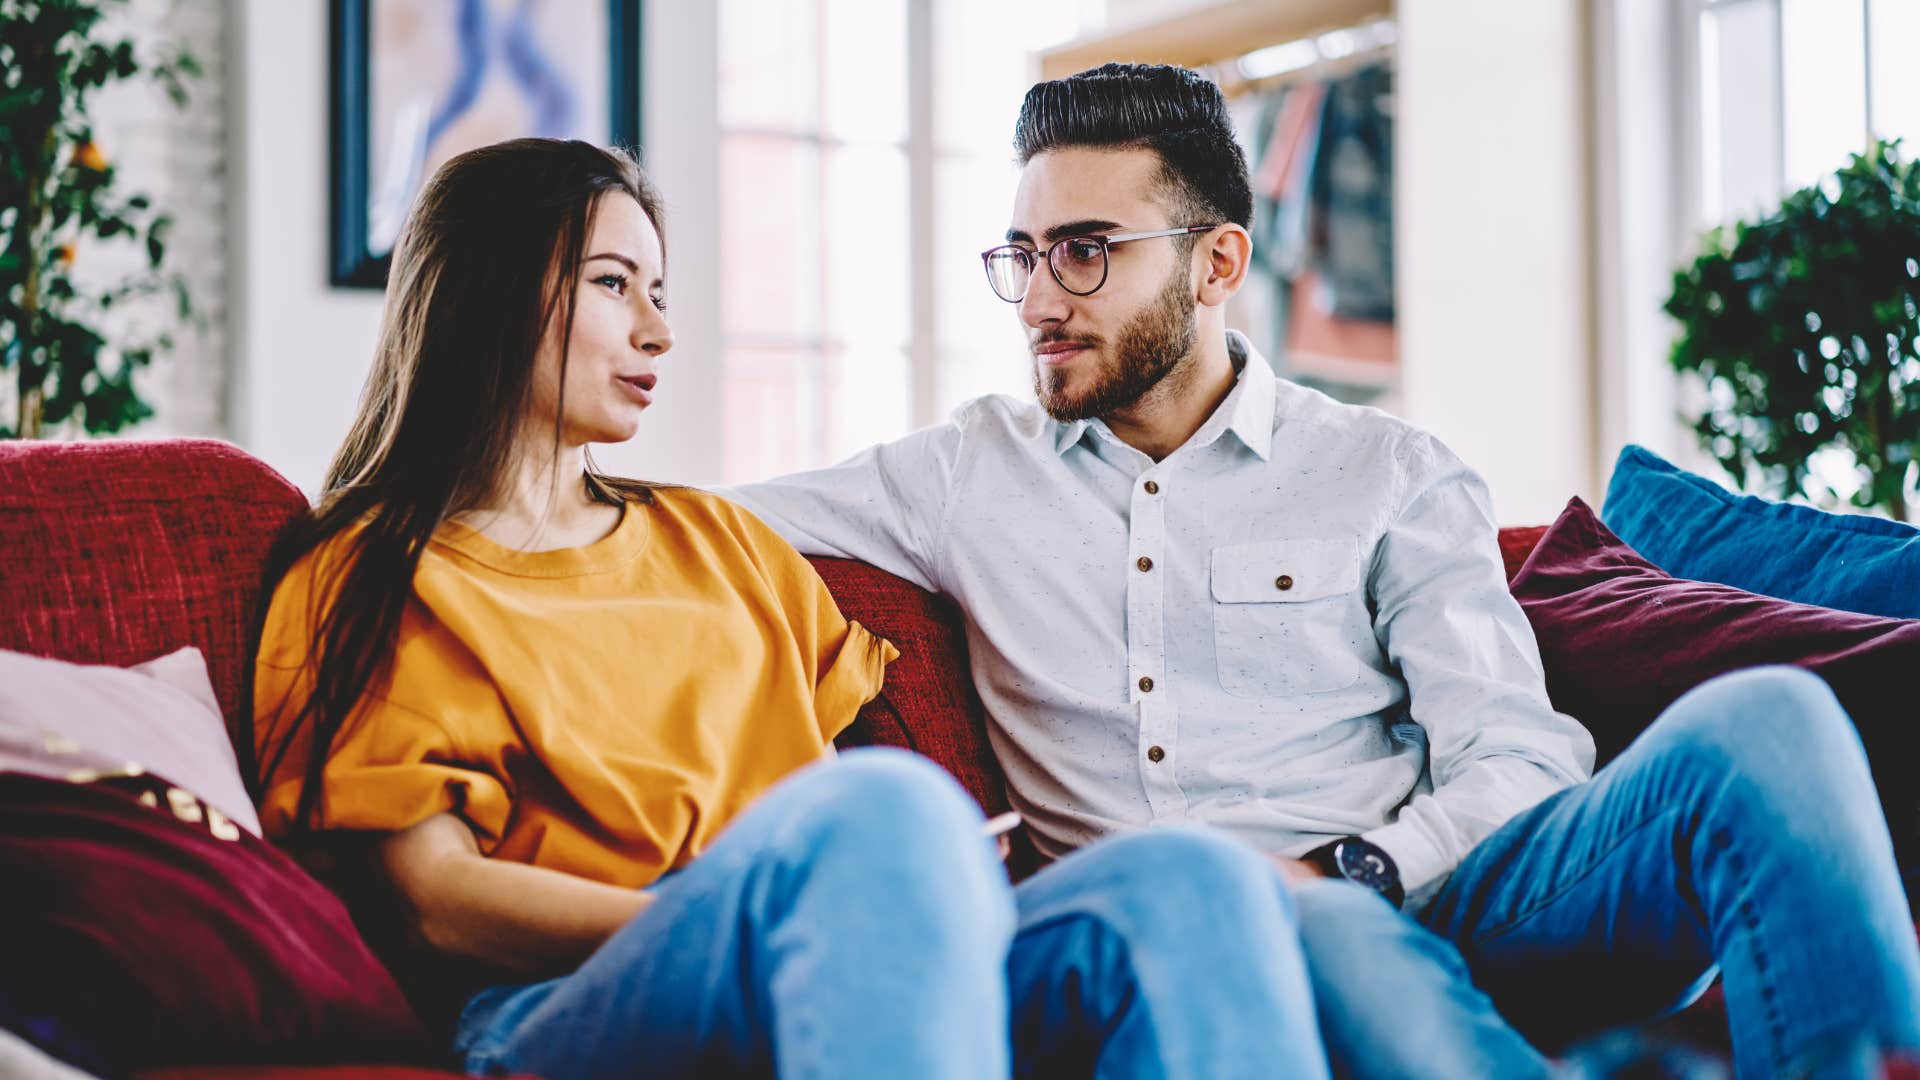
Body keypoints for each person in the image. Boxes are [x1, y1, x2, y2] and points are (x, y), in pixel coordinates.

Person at [721, 63, 1920, 1076]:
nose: (1038, 299)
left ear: (1218, 263)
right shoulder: (961, 475)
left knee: (1771, 721)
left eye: (1085, 253)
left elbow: (1518, 755)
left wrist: (1355, 866)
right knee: (1327, 930)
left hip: (1449, 885)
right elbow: (690, 522)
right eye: (1023, 255)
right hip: (1205, 939)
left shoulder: (1386, 472)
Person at [250, 137, 1330, 1080]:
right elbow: (432, 899)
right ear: (489, 293)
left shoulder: (720, 542)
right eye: (615, 285)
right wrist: (788, 913)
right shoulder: (370, 575)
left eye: (660, 293)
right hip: (573, 998)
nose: (659, 333)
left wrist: (892, 908)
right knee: (886, 812)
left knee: (1188, 878)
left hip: (844, 948)